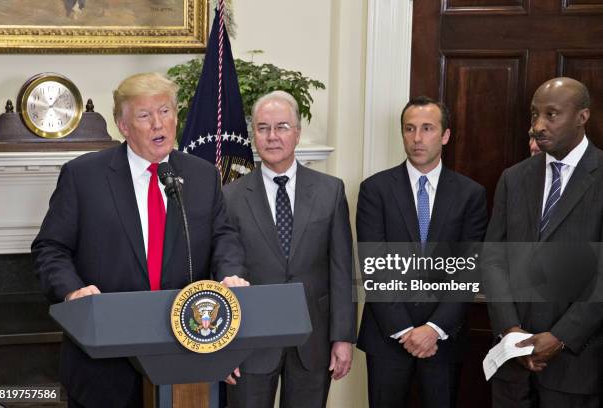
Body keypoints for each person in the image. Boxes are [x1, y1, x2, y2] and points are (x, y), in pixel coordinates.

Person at [32, 72, 248, 408]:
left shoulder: (202, 175)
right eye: (145, 116)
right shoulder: (83, 176)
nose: (158, 124)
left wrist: (230, 274)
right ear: (123, 125)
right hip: (104, 360)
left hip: (186, 353)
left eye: (165, 111)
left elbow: (224, 238)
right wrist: (72, 290)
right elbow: (51, 248)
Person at [222, 90, 356, 408]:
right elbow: (222, 270)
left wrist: (343, 337)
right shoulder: (230, 197)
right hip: (249, 343)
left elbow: (341, 270)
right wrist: (222, 345)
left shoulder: (330, 191)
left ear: (297, 133)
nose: (272, 136)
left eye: (281, 126)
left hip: (313, 340)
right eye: (263, 127)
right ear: (253, 134)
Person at [356, 96, 488, 408]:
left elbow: (468, 269)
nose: (417, 138)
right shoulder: (375, 189)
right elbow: (373, 267)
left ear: (445, 135)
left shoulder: (470, 194)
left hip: (444, 337)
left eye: (427, 128)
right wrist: (405, 330)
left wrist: (434, 329)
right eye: (409, 129)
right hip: (387, 336)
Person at [484, 77, 603, 407]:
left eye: (551, 115)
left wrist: (560, 337)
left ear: (582, 116)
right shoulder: (514, 178)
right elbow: (493, 259)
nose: (538, 126)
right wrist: (510, 331)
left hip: (574, 367)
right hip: (512, 364)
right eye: (534, 115)